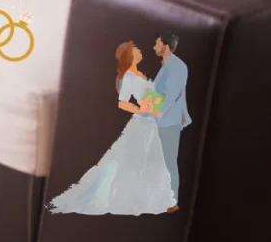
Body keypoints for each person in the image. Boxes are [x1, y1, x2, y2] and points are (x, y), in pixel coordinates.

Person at [47, 41, 177, 215]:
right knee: (134, 159)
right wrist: (141, 109)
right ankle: (124, 197)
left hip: (151, 122)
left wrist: (156, 107)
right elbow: (122, 102)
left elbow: (151, 96)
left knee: (152, 158)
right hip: (141, 122)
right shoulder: (129, 78)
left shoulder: (140, 74)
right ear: (130, 55)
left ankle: (160, 200)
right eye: (135, 49)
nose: (139, 50)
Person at [152, 32, 191, 213]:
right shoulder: (166, 66)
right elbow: (158, 93)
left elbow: (171, 94)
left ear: (165, 46)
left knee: (168, 160)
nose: (154, 46)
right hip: (160, 120)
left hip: (169, 121)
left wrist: (156, 112)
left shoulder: (176, 66)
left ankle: (171, 200)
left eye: (157, 43)